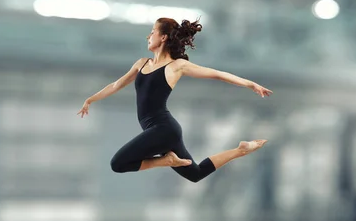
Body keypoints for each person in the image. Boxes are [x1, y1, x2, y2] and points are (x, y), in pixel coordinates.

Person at [77, 18, 272, 183]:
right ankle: (241, 150)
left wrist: (250, 84)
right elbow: (115, 85)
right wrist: (90, 99)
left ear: (163, 37)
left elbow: (217, 74)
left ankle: (166, 160)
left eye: (152, 32)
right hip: (162, 130)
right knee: (195, 173)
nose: (148, 35)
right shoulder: (141, 63)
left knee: (117, 164)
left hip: (163, 129)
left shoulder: (177, 66)